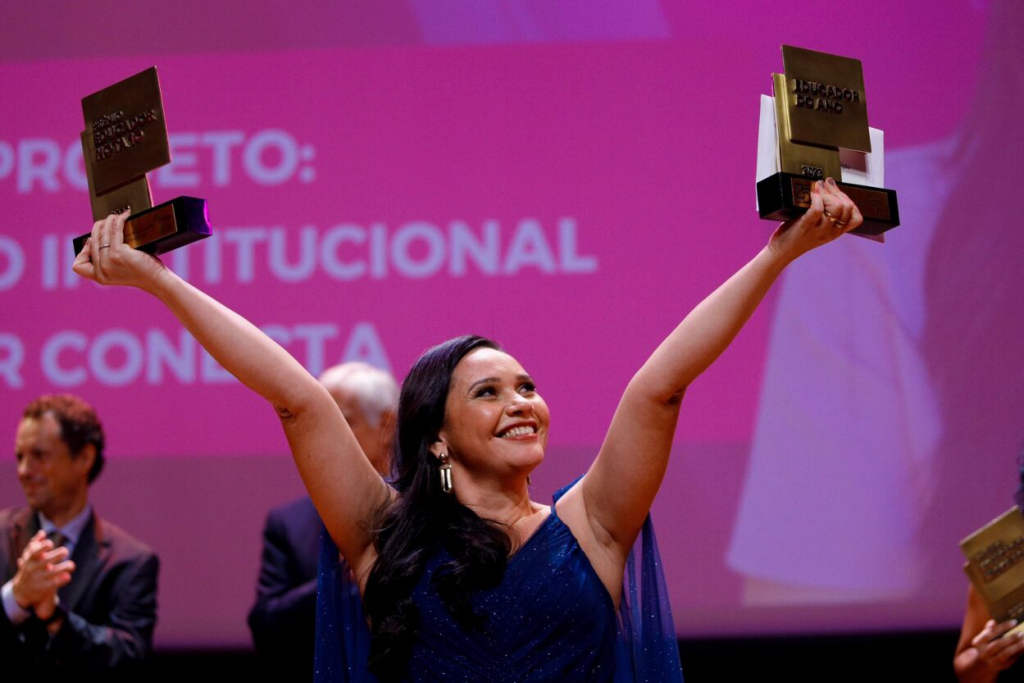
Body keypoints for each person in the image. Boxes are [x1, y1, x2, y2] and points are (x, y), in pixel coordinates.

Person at [72, 178, 861, 681]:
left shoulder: (592, 524)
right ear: (436, 437)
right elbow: (297, 397)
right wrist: (160, 283)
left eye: (528, 385)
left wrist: (777, 256)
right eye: (489, 391)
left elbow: (661, 387)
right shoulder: (384, 535)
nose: (523, 401)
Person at [249, 363, 397, 679]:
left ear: (387, 425)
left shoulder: (423, 512)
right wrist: (339, 575)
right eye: (315, 425)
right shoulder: (289, 523)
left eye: (341, 422)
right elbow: (265, 626)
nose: (320, 439)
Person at [0, 394, 159, 677]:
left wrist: (56, 617)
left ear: (85, 457)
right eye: (20, 457)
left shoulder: (130, 561)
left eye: (39, 456)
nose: (24, 470)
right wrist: (16, 597)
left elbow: (129, 658)